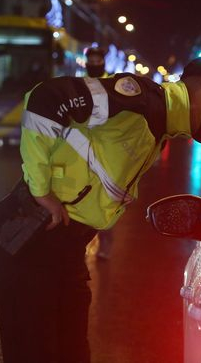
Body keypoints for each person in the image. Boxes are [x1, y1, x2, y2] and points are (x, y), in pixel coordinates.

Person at [0, 56, 201, 362]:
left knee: (72, 353)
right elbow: (45, 99)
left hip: (65, 248)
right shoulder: (139, 101)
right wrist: (41, 192)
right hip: (31, 242)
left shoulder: (160, 124)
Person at [84, 46, 113, 258]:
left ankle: (105, 245)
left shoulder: (112, 85)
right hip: (81, 151)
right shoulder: (78, 85)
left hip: (106, 153)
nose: (94, 65)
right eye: (90, 62)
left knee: (105, 202)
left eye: (97, 61)